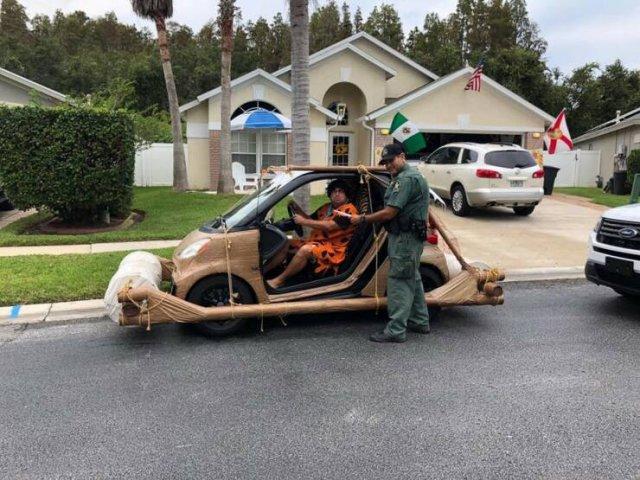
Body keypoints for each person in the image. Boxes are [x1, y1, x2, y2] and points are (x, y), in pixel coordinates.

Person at [338, 143, 430, 343]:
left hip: (405, 239)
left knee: (399, 281)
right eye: (385, 163)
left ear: (402, 156)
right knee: (412, 278)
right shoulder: (409, 176)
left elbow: (389, 212)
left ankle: (396, 330)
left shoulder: (406, 180)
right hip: (407, 237)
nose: (388, 166)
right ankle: (420, 321)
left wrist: (362, 219)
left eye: (391, 161)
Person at [266, 179, 359, 289]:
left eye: (341, 191)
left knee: (306, 250)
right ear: (330, 194)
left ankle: (279, 281)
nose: (337, 194)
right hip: (317, 242)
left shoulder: (349, 210)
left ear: (346, 194)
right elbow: (311, 220)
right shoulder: (327, 207)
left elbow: (329, 226)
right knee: (284, 242)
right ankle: (263, 272)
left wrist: (303, 221)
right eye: (334, 191)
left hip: (334, 249)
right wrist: (298, 209)